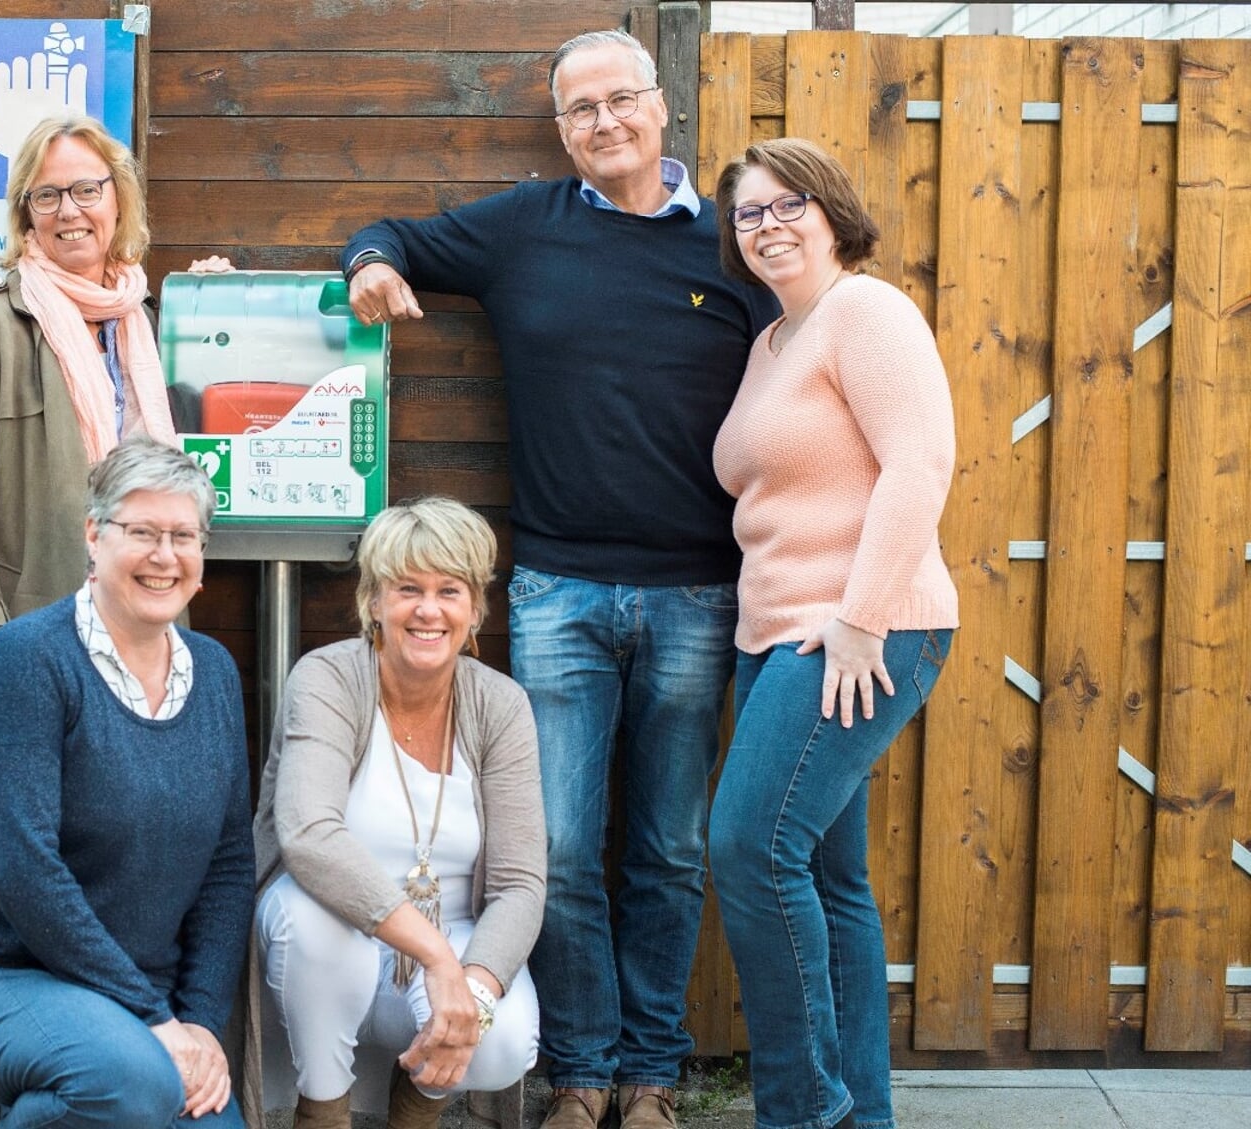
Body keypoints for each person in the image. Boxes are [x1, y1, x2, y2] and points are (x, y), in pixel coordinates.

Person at [341, 29, 778, 1129]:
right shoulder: (523, 226)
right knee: (566, 848)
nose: (602, 123)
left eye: (619, 100)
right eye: (578, 110)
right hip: (558, 593)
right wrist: (373, 266)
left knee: (672, 850)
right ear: (561, 129)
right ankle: (580, 1074)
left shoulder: (732, 245)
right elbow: (388, 232)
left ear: (661, 108)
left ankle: (653, 1075)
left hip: (697, 590)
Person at [708, 137, 958, 1129]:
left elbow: (918, 466)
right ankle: (864, 1117)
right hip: (774, 639)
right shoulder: (771, 344)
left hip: (858, 632)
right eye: (747, 213)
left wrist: (859, 622)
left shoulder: (866, 310)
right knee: (825, 874)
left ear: (830, 209)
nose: (768, 225)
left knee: (748, 846)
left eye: (786, 204)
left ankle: (804, 1111)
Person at [0, 437, 253, 1129]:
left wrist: (204, 1025)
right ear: (94, 535)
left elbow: (228, 866)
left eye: (183, 535)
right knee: (129, 1084)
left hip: (141, 1003)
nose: (165, 555)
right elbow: (23, 867)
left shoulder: (214, 674)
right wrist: (155, 1021)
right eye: (143, 532)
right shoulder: (26, 662)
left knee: (185, 1106)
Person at [247, 497, 544, 1129]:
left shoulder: (501, 704)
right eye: (407, 588)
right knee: (315, 923)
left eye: (449, 590)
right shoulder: (327, 678)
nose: (428, 610)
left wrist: (474, 991)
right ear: (374, 602)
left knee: (505, 1038)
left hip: (457, 936)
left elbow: (521, 883)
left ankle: (417, 1115)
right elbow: (308, 835)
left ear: (474, 609)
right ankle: (321, 1113)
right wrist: (435, 955)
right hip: (322, 950)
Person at [0, 114, 180, 742]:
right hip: (25, 636)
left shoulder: (141, 322)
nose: (69, 211)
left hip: (136, 636)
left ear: (118, 197)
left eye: (86, 189)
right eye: (47, 195)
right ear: (26, 215)